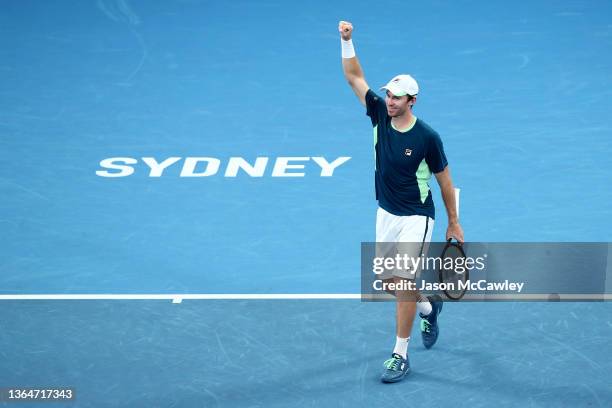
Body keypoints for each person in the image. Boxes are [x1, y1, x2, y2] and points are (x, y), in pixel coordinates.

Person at [338, 20, 465, 383]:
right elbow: (353, 76)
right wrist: (347, 41)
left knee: (404, 281)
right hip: (386, 212)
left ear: (413, 101)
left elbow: (444, 181)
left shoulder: (427, 137)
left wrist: (453, 221)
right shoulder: (378, 112)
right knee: (390, 282)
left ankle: (400, 354)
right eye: (389, 96)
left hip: (416, 217)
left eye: (397, 98)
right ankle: (428, 306)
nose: (390, 102)